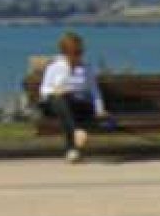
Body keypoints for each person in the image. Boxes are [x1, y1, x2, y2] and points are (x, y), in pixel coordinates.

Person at [38, 32, 109, 163]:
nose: (76, 56)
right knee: (60, 100)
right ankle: (75, 138)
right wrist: (55, 90)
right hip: (57, 102)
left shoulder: (86, 69)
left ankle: (73, 148)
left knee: (68, 109)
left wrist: (100, 109)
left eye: (79, 53)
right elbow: (44, 89)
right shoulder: (55, 67)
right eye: (73, 53)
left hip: (79, 104)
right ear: (65, 53)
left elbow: (94, 91)